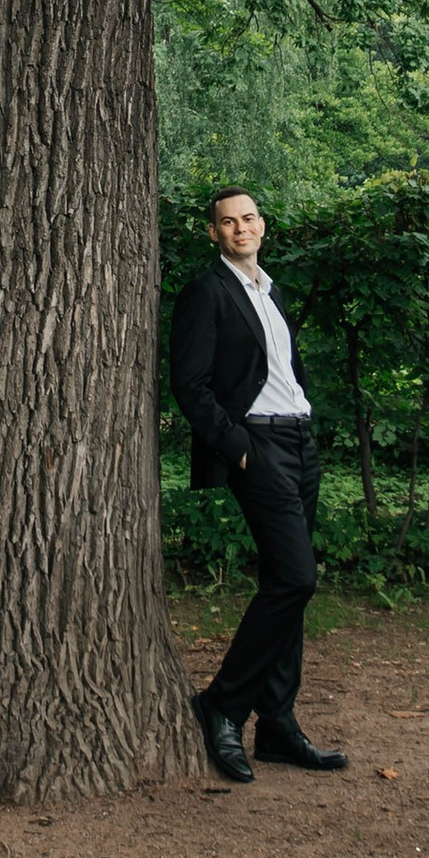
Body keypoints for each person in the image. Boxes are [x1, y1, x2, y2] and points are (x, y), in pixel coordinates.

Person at [167, 188, 347, 786]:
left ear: (261, 226)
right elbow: (190, 384)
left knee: (288, 588)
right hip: (258, 446)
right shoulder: (207, 292)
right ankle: (222, 703)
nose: (239, 228)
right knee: (297, 578)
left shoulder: (272, 291)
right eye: (227, 222)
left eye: (247, 218)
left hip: (300, 443)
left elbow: (281, 371)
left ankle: (276, 724)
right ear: (214, 233)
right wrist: (237, 446)